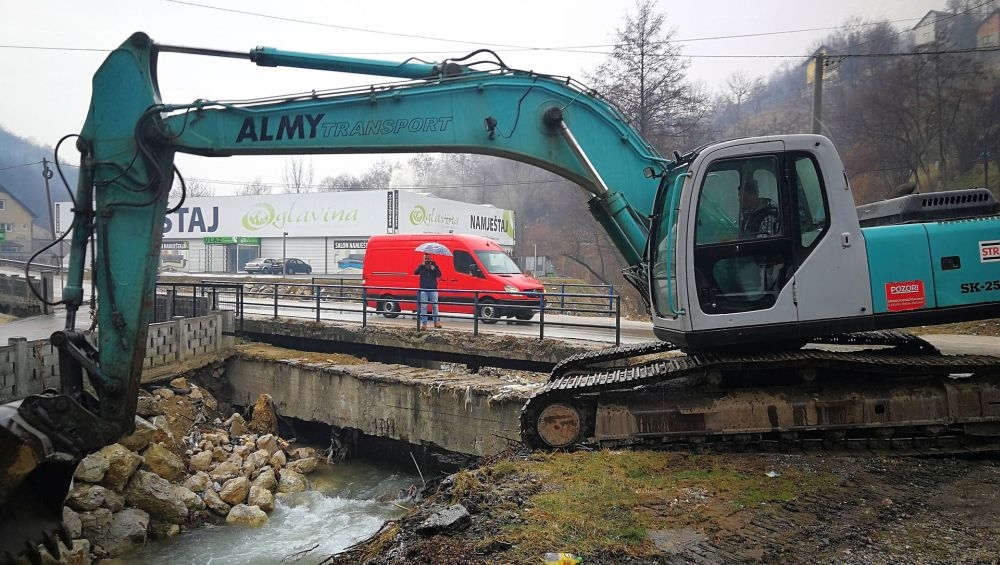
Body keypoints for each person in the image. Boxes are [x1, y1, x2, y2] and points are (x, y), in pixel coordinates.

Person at [414, 253, 442, 329]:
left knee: (435, 306)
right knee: (424, 307)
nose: (426, 260)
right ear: (423, 259)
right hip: (424, 289)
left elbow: (439, 274)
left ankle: (436, 322)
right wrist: (421, 266)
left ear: (430, 259)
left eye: (428, 259)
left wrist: (434, 269)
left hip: (433, 289)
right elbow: (415, 272)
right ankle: (424, 324)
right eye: (425, 259)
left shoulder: (434, 265)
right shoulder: (421, 266)